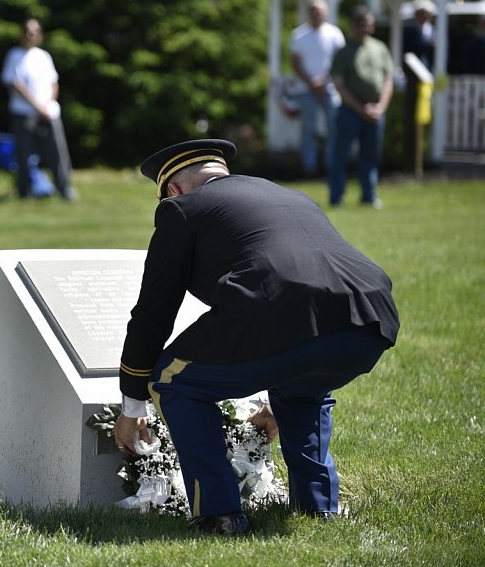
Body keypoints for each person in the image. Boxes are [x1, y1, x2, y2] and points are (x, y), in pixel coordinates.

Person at [114, 139, 399, 536]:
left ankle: (219, 513)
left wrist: (132, 405)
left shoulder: (179, 209)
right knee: (300, 391)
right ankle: (318, 507)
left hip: (281, 313)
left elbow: (153, 313)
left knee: (172, 381)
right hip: (369, 320)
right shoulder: (290, 195)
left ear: (173, 190)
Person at [1, 18, 75, 199]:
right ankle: (24, 192)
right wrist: (36, 106)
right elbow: (15, 84)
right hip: (23, 113)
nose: (30, 35)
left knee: (57, 152)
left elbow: (53, 82)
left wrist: (47, 105)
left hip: (49, 113)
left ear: (40, 35)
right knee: (24, 154)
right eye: (27, 31)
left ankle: (64, 189)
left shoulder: (44, 56)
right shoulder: (14, 55)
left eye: (34, 31)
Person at [329, 5, 394, 208]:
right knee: (341, 154)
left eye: (368, 23)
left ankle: (369, 195)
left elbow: (387, 81)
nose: (365, 27)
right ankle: (337, 197)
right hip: (351, 110)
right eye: (361, 24)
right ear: (353, 26)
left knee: (371, 155)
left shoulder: (380, 48)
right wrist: (360, 108)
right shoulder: (343, 52)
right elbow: (339, 85)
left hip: (375, 110)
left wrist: (380, 107)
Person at [290, 0, 346, 176]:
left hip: (330, 89)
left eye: (320, 11)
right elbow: (296, 63)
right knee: (309, 129)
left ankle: (331, 165)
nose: (317, 14)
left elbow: (340, 61)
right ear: (309, 13)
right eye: (313, 10)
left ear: (326, 12)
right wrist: (311, 82)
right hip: (306, 90)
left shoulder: (335, 33)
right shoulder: (299, 35)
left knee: (334, 128)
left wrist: (324, 80)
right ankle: (309, 166)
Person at [402, 0, 436, 69]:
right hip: (413, 67)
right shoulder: (410, 30)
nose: (423, 16)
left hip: (429, 66)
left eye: (425, 13)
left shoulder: (434, 30)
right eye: (421, 13)